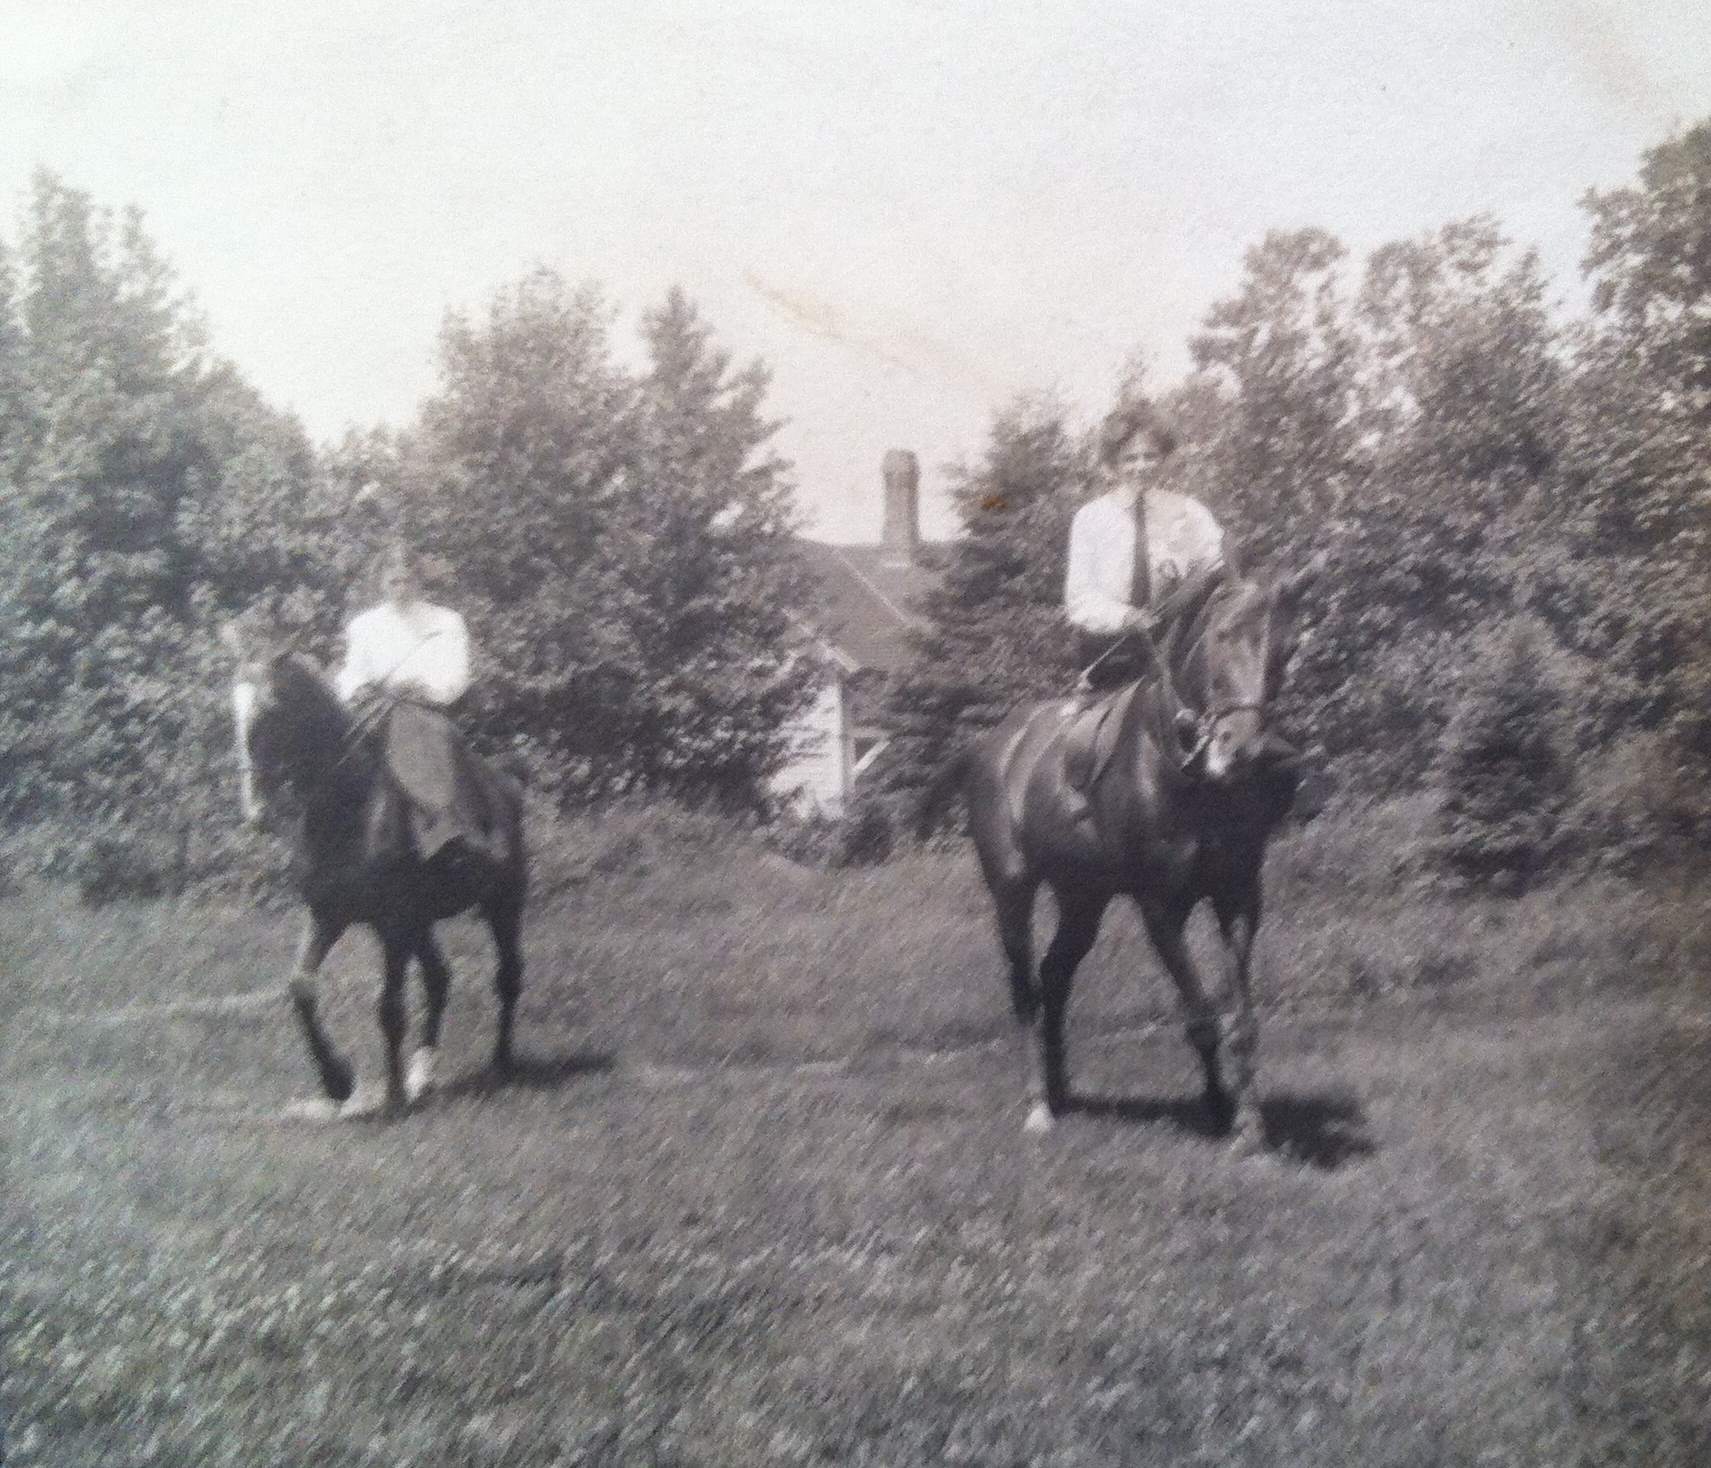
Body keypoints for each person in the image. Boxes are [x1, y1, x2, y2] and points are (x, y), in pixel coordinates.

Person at [1061, 402, 1227, 810]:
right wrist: (1127, 617)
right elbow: (1080, 598)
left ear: (1164, 458)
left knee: (1236, 710)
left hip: (1178, 654)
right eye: (1129, 458)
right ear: (1113, 464)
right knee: (1086, 743)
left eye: (1149, 456)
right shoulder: (1092, 519)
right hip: (1114, 657)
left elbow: (1219, 565)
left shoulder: (1189, 513)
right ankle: (1083, 811)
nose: (1140, 466)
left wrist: (1194, 582)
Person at [336, 542, 499, 861]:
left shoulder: (446, 622)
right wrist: (360, 689)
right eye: (393, 580)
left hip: (429, 710)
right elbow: (351, 674)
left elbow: (457, 676)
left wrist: (424, 689)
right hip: (377, 711)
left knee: (414, 725)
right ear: (380, 582)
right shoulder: (364, 626)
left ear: (418, 581)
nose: (400, 587)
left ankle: (444, 822)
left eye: (407, 579)